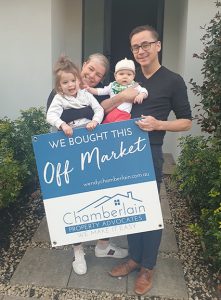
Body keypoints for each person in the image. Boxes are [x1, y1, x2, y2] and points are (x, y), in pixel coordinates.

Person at [107, 25, 192, 295]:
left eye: (145, 44)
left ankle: (148, 266)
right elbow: (100, 108)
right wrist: (122, 95)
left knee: (149, 212)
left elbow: (187, 122)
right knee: (128, 208)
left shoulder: (172, 80)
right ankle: (134, 257)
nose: (141, 51)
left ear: (158, 45)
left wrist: (159, 125)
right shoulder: (125, 81)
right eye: (135, 47)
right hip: (120, 153)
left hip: (149, 153)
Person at [46, 53, 128, 275]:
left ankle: (103, 245)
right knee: (75, 202)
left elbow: (104, 112)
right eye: (90, 69)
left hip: (99, 156)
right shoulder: (59, 92)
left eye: (98, 74)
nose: (92, 75)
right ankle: (78, 251)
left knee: (105, 200)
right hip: (71, 156)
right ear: (83, 66)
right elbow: (53, 119)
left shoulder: (98, 93)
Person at [46, 56, 104, 137]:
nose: (71, 85)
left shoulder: (86, 94)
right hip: (70, 135)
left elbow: (99, 109)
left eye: (73, 80)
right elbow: (51, 115)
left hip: (90, 133)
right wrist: (63, 125)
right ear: (59, 86)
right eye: (65, 82)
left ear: (79, 80)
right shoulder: (59, 98)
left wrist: (95, 121)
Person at [86, 58, 148, 123]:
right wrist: (90, 89)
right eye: (121, 74)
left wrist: (141, 95)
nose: (125, 76)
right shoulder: (112, 85)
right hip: (112, 112)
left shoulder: (135, 86)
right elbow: (101, 91)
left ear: (133, 76)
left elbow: (144, 91)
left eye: (129, 74)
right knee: (105, 125)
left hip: (123, 113)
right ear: (115, 76)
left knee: (118, 126)